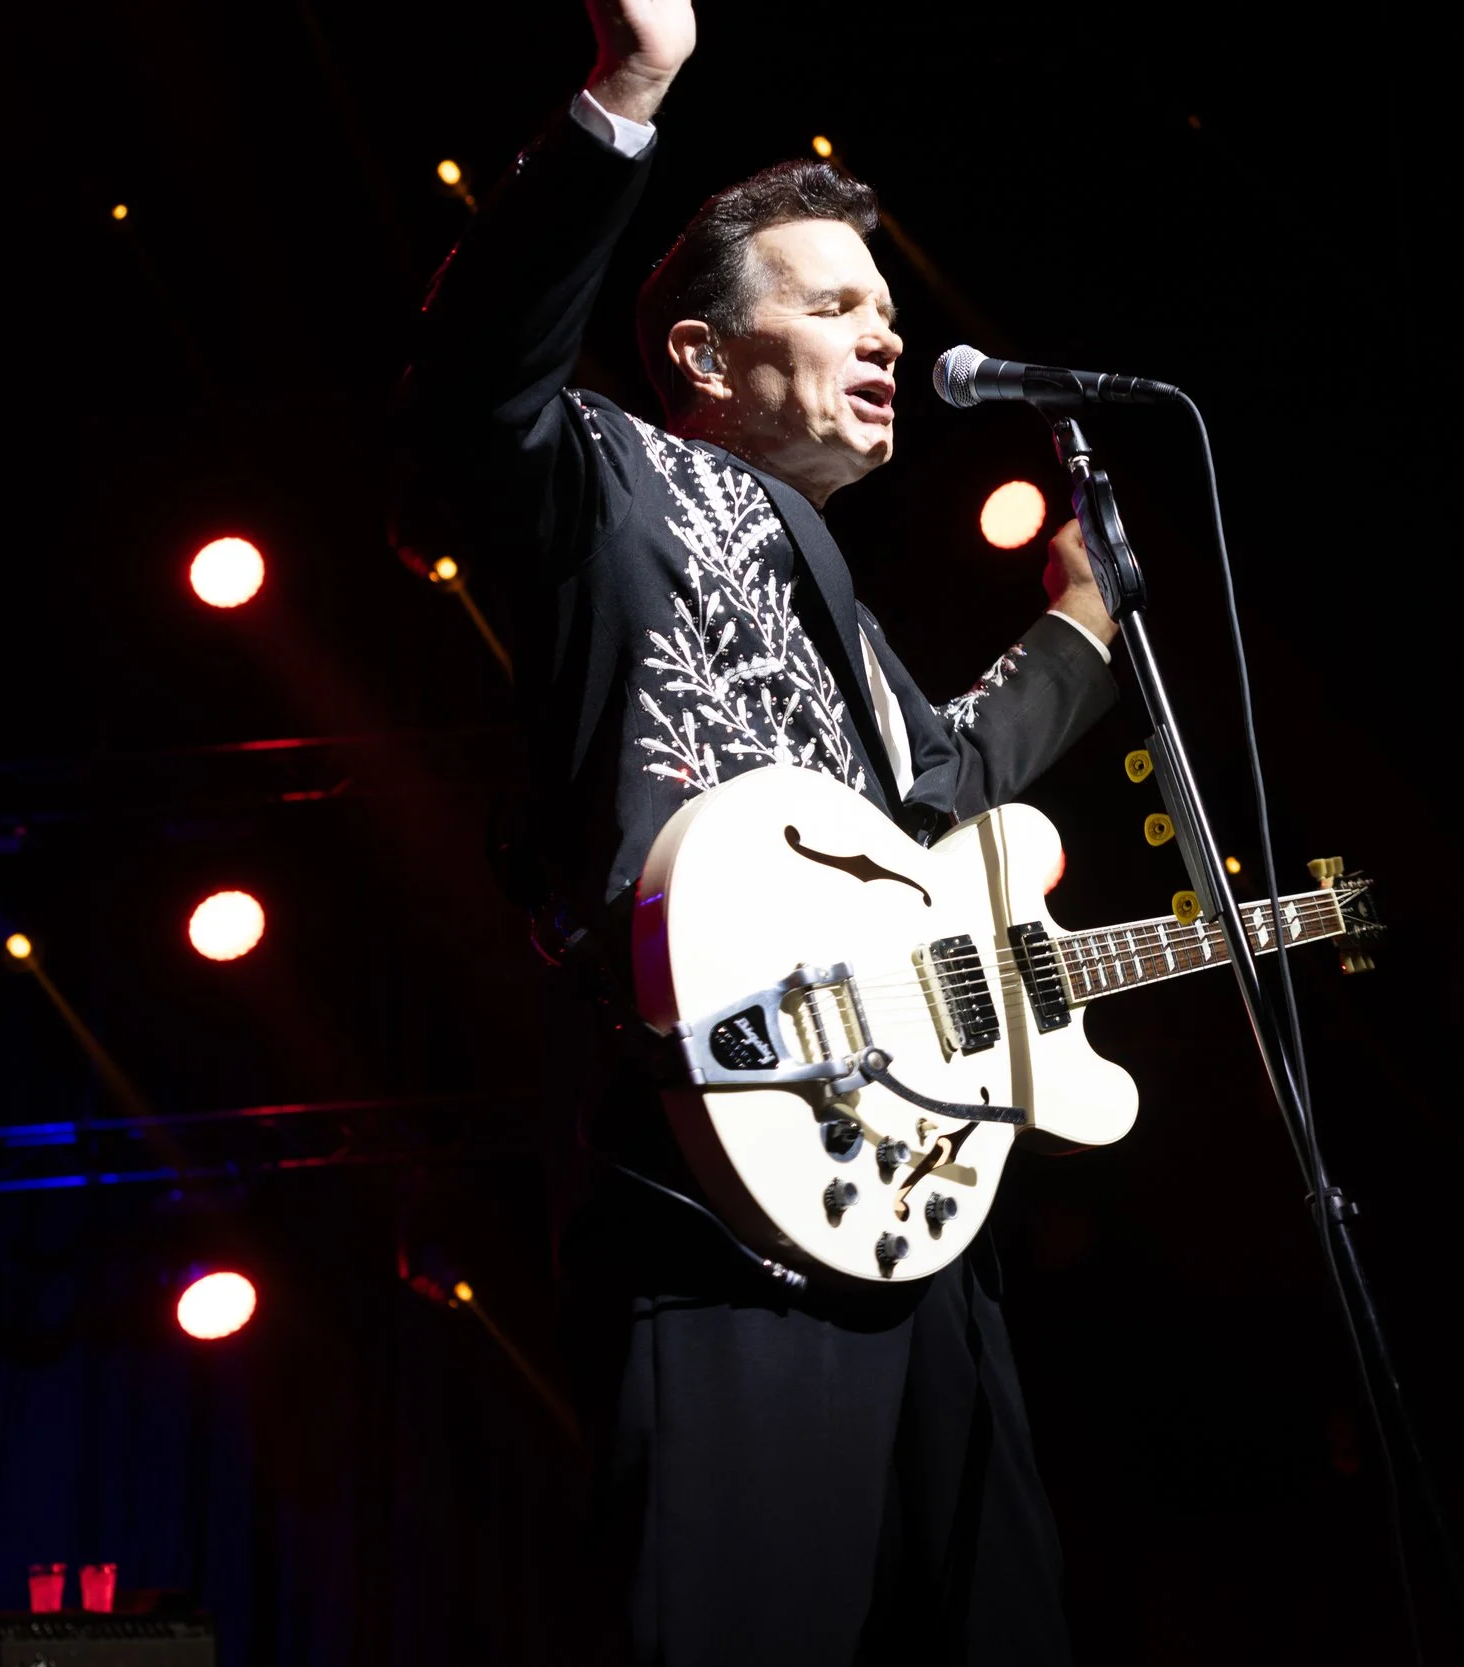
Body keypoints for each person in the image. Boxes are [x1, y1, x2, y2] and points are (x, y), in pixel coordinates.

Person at [401, 0, 1116, 1657]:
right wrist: (627, 89)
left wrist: (1081, 624)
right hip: (714, 1170)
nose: (884, 338)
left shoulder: (842, 607)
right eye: (833, 305)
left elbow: (944, 788)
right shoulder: (612, 481)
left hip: (904, 1170)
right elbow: (470, 397)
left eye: (886, 308)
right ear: (708, 360)